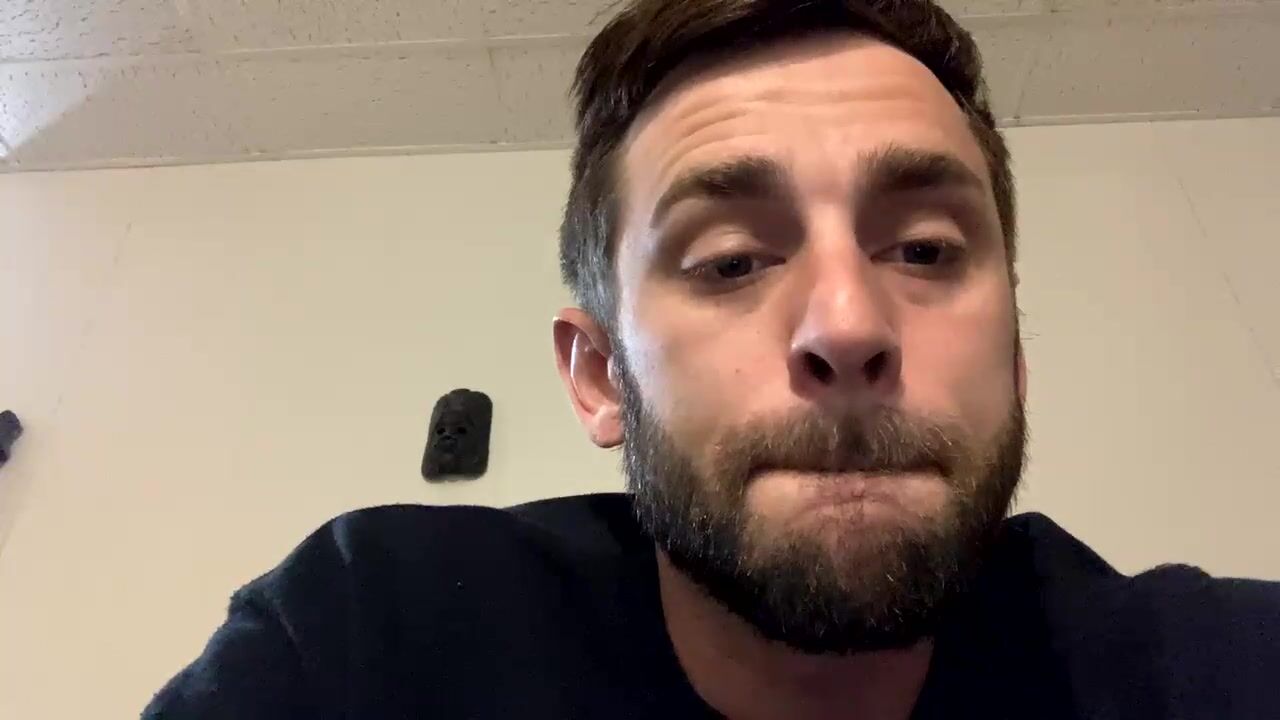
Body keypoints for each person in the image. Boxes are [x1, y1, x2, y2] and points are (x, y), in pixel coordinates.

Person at [143, 1, 1279, 718]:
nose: (847, 324)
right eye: (731, 261)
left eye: (925, 249)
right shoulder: (363, 642)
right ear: (599, 377)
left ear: (1016, 359)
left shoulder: (1212, 668)